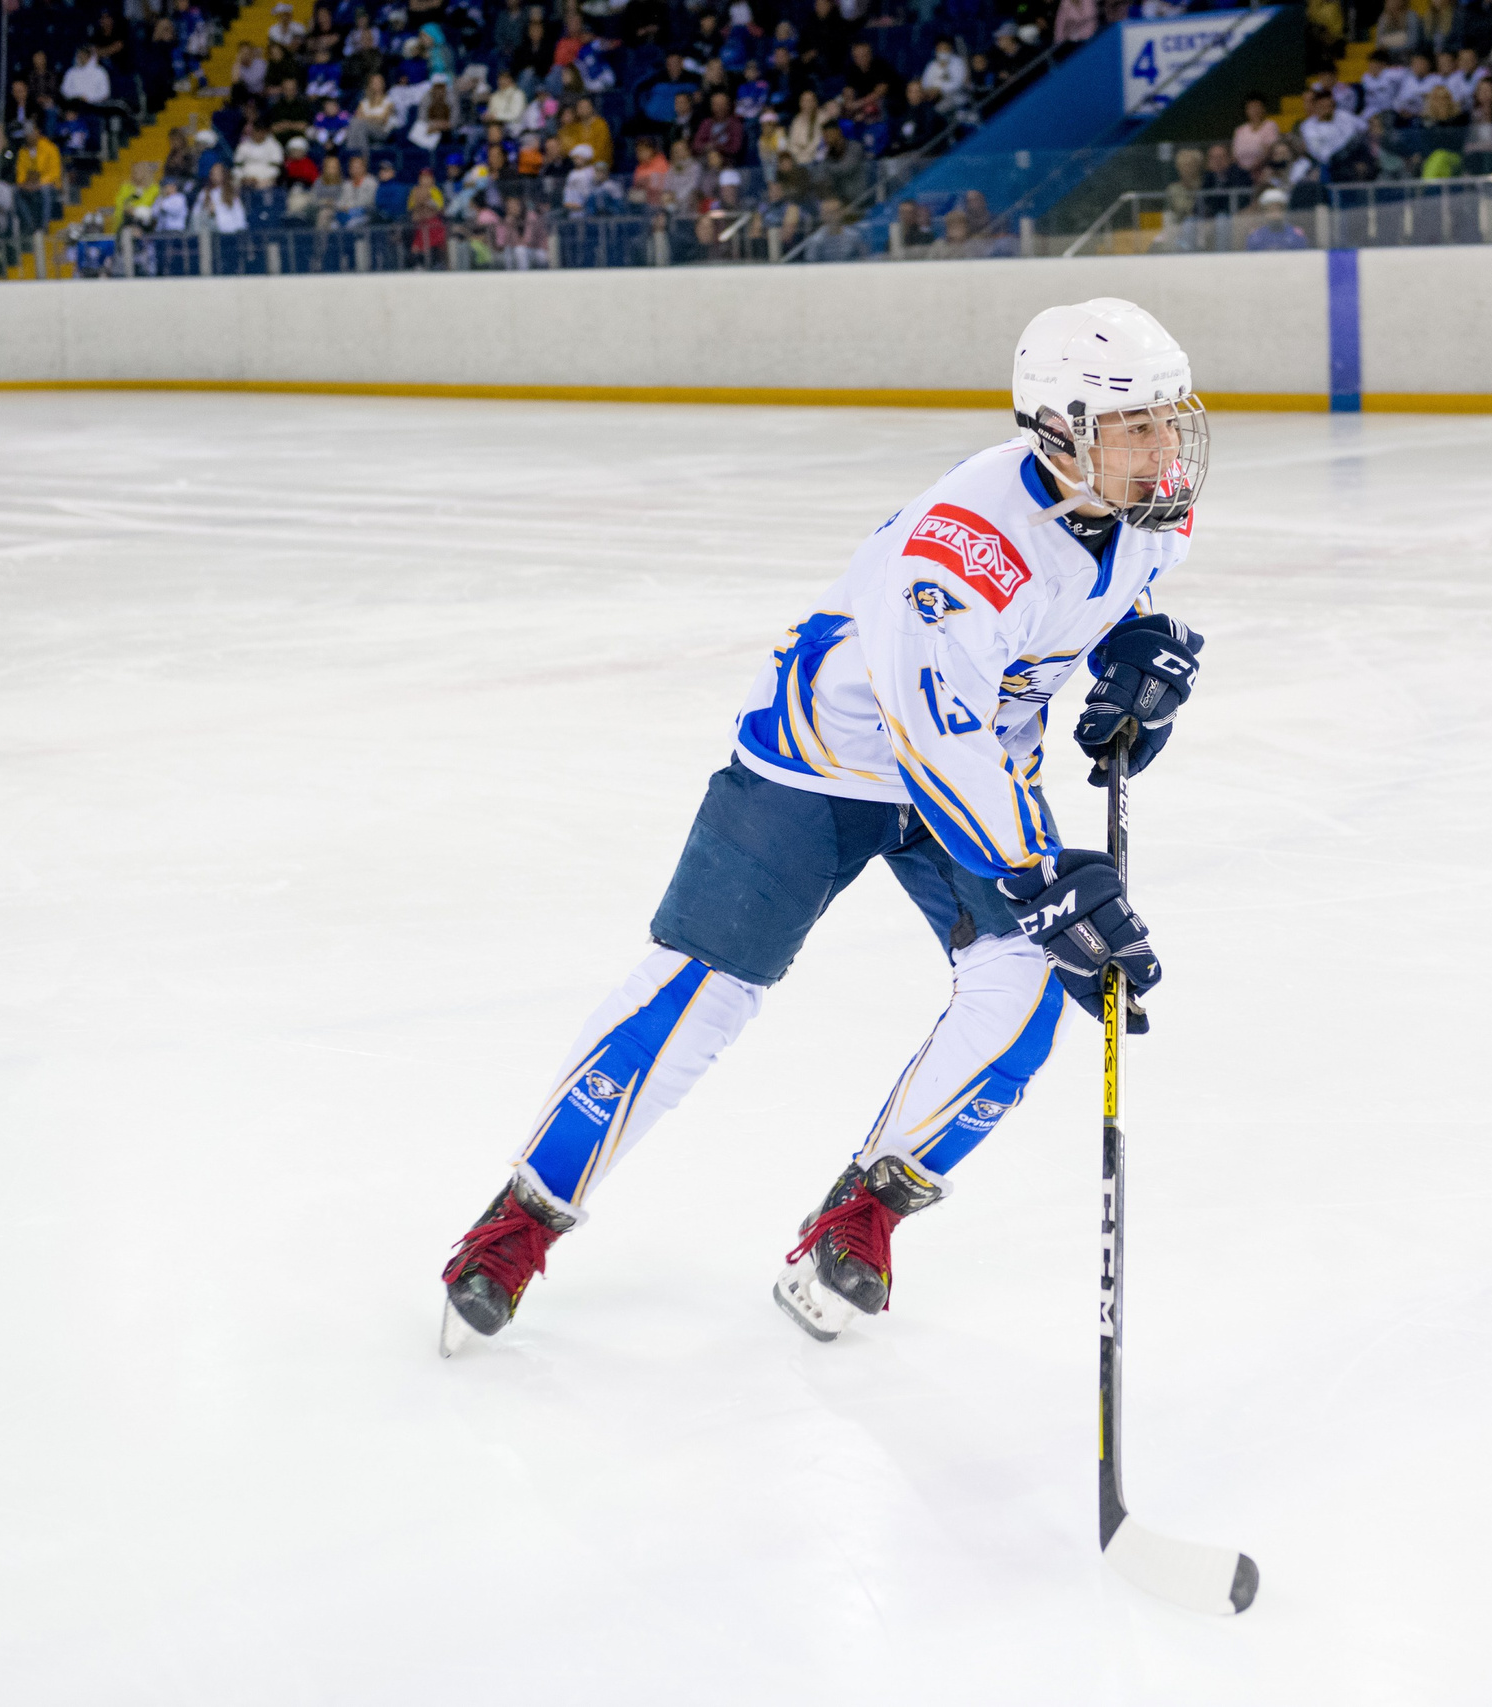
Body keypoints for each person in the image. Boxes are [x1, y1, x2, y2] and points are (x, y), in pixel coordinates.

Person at [438, 299, 1212, 1351]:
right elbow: (933, 738)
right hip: (822, 760)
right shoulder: (963, 547)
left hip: (973, 762)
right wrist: (1040, 877)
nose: (1164, 450)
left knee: (1028, 984)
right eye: (1136, 427)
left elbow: (1092, 604)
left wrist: (1131, 653)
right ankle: (522, 1218)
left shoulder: (1145, 509)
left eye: (1169, 420)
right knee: (704, 990)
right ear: (1057, 431)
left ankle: (864, 1214)